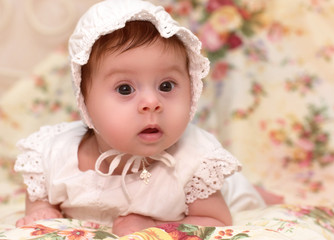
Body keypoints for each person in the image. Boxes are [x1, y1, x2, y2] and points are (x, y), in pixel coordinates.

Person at [14, 0, 266, 236]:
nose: (151, 103)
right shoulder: (57, 152)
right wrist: (40, 209)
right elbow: (40, 188)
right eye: (125, 89)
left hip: (231, 195)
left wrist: (156, 226)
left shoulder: (193, 163)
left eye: (166, 86)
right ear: (85, 101)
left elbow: (218, 221)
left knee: (250, 194)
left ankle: (263, 193)